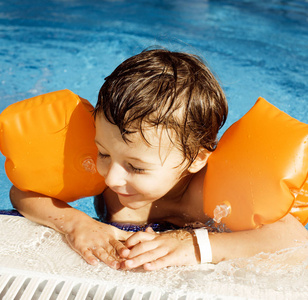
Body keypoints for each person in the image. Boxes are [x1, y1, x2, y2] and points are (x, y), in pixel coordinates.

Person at [10, 49, 308, 271]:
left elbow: (294, 240)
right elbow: (22, 191)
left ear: (196, 158)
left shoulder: (215, 196)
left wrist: (195, 246)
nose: (111, 179)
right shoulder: (111, 172)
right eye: (103, 152)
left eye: (136, 167)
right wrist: (76, 224)